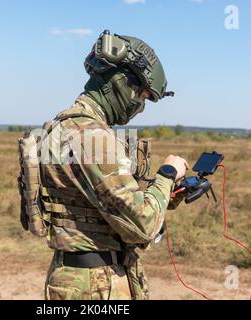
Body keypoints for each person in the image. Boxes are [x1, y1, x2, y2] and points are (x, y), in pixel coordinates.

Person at [37, 30, 188, 300]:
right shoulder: (89, 135)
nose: (140, 107)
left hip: (82, 279)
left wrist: (167, 196)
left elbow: (99, 208)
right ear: (119, 81)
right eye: (140, 96)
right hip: (95, 285)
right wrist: (167, 175)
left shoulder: (64, 126)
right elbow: (141, 225)